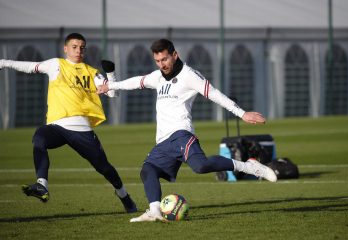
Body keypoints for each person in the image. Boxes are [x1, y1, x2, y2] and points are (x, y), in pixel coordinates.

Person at [96, 38, 277, 222]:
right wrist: (110, 85)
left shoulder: (189, 75)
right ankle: (154, 211)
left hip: (181, 133)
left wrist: (242, 113)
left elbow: (214, 94)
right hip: (164, 140)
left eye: (165, 59)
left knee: (201, 166)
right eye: (157, 61)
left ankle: (249, 166)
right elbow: (137, 82)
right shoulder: (157, 76)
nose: (161, 64)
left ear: (175, 55)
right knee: (148, 170)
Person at [0, 33, 137, 213]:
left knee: (104, 168)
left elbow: (112, 93)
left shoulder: (91, 72)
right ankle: (42, 185)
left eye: (82, 47)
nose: (78, 50)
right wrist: (3, 62)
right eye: (74, 47)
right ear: (66, 48)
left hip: (81, 129)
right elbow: (30, 67)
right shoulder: (56, 64)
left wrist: (111, 74)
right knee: (39, 138)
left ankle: (124, 196)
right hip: (57, 127)